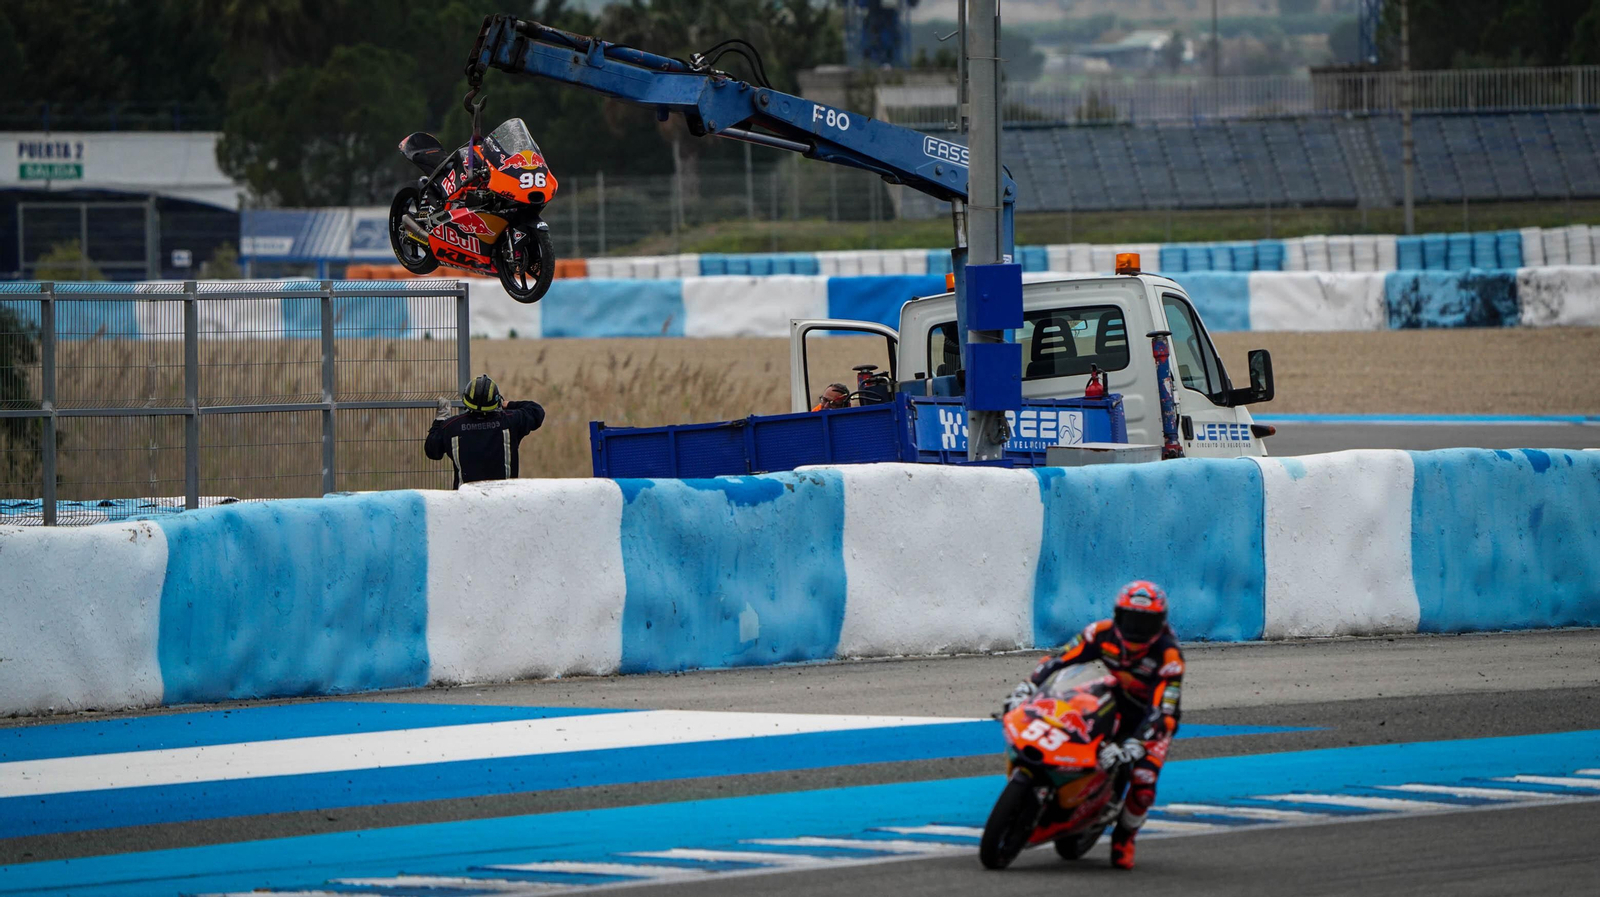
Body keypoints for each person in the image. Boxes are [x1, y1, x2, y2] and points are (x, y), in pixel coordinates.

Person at [1003, 580, 1183, 871]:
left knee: (1145, 784)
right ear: (1117, 615)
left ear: (1160, 624)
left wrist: (1136, 745)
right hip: (1114, 695)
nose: (1136, 630)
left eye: (1145, 623)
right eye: (1130, 620)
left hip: (1151, 719)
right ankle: (1060, 784)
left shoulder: (1169, 656)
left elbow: (1165, 710)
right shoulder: (1099, 633)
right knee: (1066, 712)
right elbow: (1058, 660)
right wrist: (1028, 687)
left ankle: (1124, 838)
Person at [425, 374, 545, 488]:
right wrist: (507, 404)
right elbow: (536, 411)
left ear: (466, 400)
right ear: (496, 402)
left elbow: (432, 451)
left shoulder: (452, 426)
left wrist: (440, 419)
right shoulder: (510, 421)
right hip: (505, 499)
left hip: (466, 501)